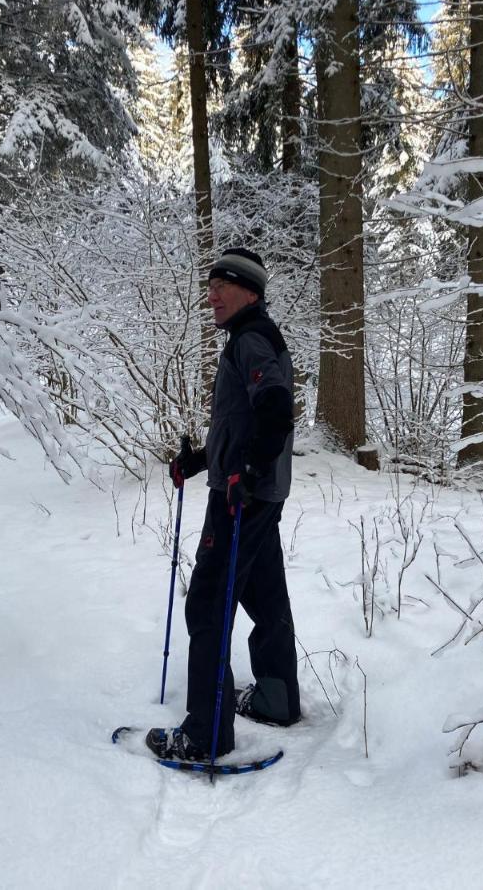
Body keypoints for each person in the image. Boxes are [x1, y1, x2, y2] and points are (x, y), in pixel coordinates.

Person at [146, 247, 302, 762]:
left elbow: (276, 408)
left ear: (250, 293)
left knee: (209, 603)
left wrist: (248, 473)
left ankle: (206, 734)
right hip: (257, 495)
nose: (210, 294)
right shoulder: (249, 339)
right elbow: (243, 422)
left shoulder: (251, 340)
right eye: (209, 285)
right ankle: (277, 700)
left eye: (223, 285)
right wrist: (198, 461)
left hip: (242, 500)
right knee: (265, 598)